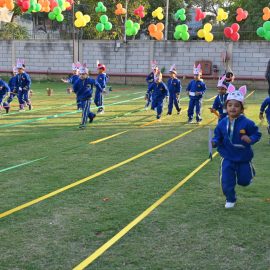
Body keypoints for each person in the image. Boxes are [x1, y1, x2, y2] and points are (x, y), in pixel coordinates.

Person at [212, 84, 261, 209]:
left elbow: (257, 134)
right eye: (230, 105)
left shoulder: (247, 123)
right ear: (226, 107)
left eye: (236, 105)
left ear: (242, 108)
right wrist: (215, 141)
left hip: (243, 157)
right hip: (227, 157)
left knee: (244, 181)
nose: (233, 108)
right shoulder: (222, 122)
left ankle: (249, 172)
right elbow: (217, 135)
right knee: (226, 181)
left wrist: (250, 139)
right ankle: (230, 198)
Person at [73, 64, 102, 129]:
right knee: (85, 109)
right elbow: (75, 88)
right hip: (80, 98)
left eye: (83, 74)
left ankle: (83, 124)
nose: (81, 76)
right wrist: (75, 92)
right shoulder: (77, 81)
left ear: (87, 74)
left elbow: (96, 83)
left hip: (88, 98)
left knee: (85, 111)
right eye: (80, 74)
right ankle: (92, 115)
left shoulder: (90, 80)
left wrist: (101, 90)